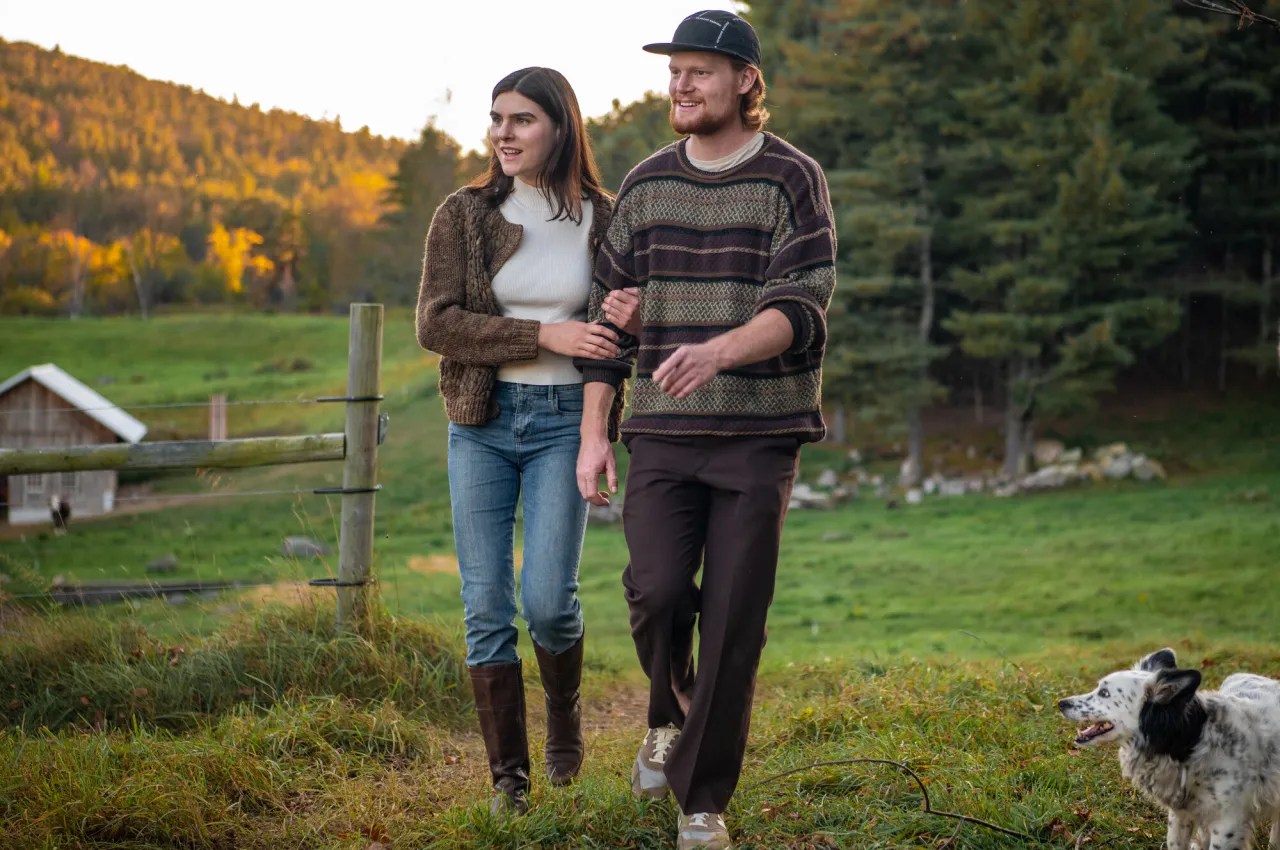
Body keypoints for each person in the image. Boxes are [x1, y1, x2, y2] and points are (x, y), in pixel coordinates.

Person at [574, 11, 837, 850]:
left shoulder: (792, 178)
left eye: (700, 71)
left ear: (746, 80)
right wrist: (593, 433)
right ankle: (669, 714)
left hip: (759, 436)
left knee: (732, 618)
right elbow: (605, 322)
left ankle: (703, 800)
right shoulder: (646, 184)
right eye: (675, 71)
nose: (681, 85)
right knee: (654, 591)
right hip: (658, 431)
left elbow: (802, 307)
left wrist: (718, 349)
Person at [415, 66, 626, 815]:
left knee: (548, 603)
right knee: (485, 606)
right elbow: (435, 323)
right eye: (497, 118)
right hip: (482, 421)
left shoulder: (605, 217)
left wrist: (616, 332)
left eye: (522, 119)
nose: (503, 133)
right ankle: (510, 781)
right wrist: (543, 334)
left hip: (566, 420)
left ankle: (564, 715)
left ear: (560, 128)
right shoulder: (465, 214)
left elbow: (619, 334)